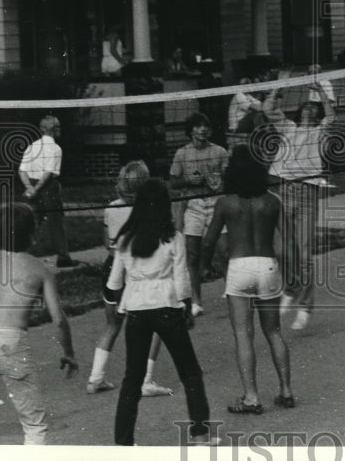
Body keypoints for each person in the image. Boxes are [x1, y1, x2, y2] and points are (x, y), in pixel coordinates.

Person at [106, 179, 213, 446]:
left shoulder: (125, 239)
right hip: (167, 306)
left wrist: (118, 306)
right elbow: (181, 278)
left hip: (136, 310)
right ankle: (199, 434)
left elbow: (114, 283)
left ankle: (123, 442)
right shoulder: (172, 237)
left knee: (132, 378)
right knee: (190, 372)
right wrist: (187, 307)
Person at [0, 203, 78, 444]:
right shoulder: (40, 269)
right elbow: (59, 319)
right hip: (12, 342)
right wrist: (68, 352)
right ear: (33, 233)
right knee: (34, 423)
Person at [201, 114, 295, 414]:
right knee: (274, 331)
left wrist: (207, 265)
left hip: (239, 267)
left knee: (243, 334)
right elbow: (289, 243)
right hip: (267, 265)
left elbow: (209, 240)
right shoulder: (272, 201)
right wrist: (292, 273)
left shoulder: (226, 203)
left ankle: (252, 397)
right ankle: (286, 391)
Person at [87, 161, 172, 397]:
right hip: (134, 270)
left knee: (113, 324)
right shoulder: (147, 208)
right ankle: (145, 380)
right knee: (155, 324)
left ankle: (95, 378)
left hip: (111, 265)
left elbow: (106, 242)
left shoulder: (111, 208)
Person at [264, 84, 335, 331]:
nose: (308, 110)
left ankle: (305, 307)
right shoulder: (288, 128)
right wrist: (278, 88)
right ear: (299, 112)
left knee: (304, 254)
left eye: (312, 108)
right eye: (304, 107)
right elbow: (268, 109)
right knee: (281, 250)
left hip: (306, 192)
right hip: (284, 191)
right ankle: (291, 288)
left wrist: (323, 94)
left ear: (316, 115)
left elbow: (332, 117)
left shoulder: (319, 133)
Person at [169, 112, 230, 317]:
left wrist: (219, 180)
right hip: (193, 205)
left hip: (216, 204)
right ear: (191, 131)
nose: (203, 129)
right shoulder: (182, 154)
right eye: (198, 126)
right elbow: (173, 182)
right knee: (192, 254)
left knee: (224, 251)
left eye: (206, 126)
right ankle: (196, 300)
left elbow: (229, 178)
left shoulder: (219, 151)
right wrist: (188, 181)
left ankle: (231, 289)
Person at [19, 114, 77, 268]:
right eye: (58, 127)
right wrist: (36, 189)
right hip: (48, 187)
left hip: (31, 185)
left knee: (32, 222)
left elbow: (22, 171)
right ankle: (63, 256)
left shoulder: (32, 146)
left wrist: (29, 189)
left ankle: (21, 255)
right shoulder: (55, 149)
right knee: (55, 221)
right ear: (55, 129)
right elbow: (48, 173)